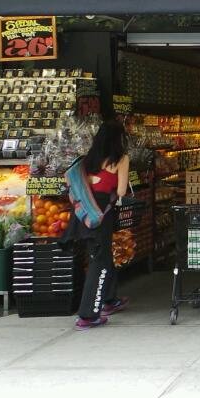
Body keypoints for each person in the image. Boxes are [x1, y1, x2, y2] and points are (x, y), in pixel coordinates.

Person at [67, 120, 131, 330]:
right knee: (99, 263)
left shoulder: (89, 159)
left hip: (83, 215)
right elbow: (121, 191)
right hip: (102, 215)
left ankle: (110, 299)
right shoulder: (121, 159)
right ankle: (88, 315)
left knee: (100, 256)